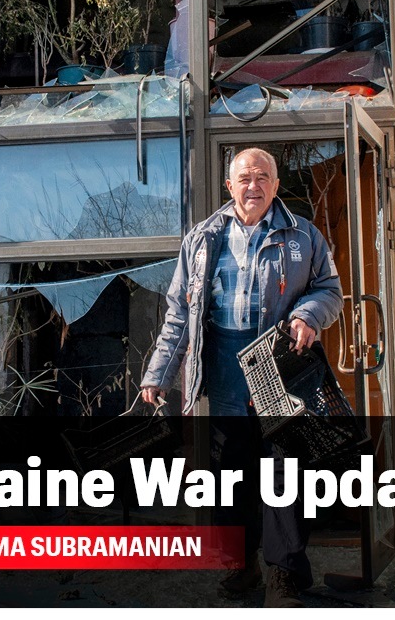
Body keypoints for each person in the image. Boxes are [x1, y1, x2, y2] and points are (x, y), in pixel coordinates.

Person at [140, 148, 342, 607]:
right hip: (226, 367)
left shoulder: (303, 235)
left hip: (277, 362)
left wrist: (308, 315)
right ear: (229, 186)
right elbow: (179, 313)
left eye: (263, 177)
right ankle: (240, 568)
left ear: (276, 184)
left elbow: (329, 290)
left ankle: (286, 575)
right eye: (245, 178)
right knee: (230, 475)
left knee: (282, 474)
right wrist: (159, 373)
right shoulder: (201, 239)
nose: (254, 186)